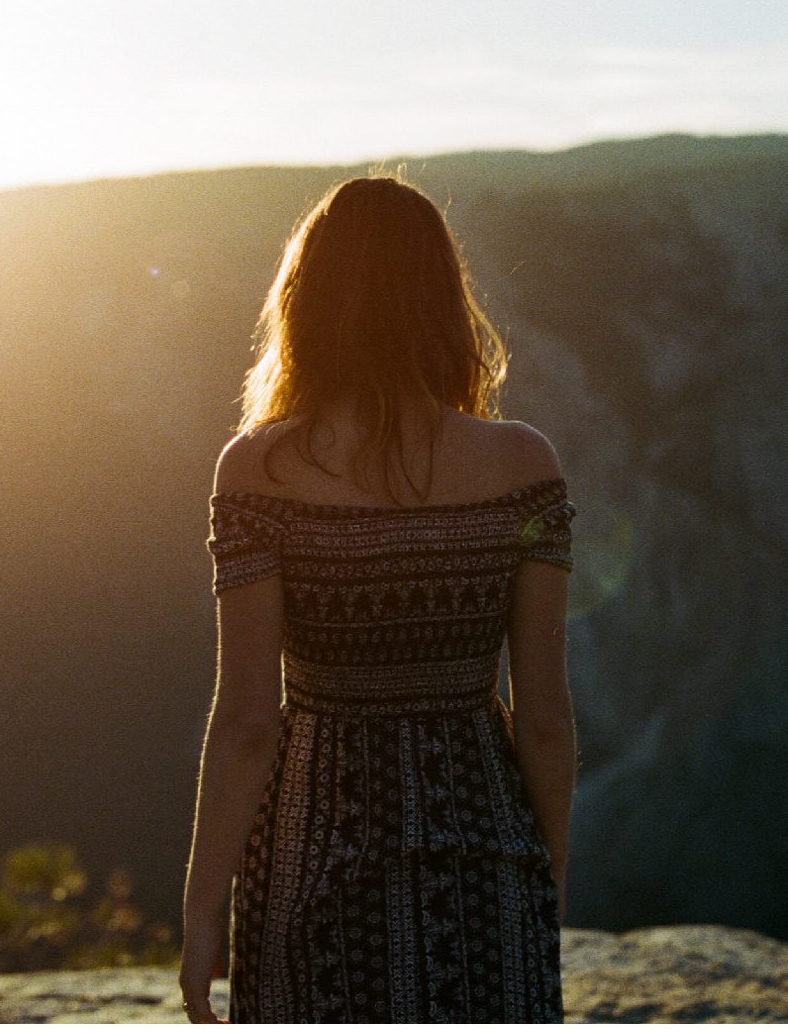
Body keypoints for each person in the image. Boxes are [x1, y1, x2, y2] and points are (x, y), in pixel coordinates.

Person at [179, 172, 578, 1023]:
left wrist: (203, 909)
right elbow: (544, 716)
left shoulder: (259, 472)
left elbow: (247, 722)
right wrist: (543, 876)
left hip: (313, 863)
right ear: (443, 300)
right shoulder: (523, 466)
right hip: (485, 863)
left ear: (307, 302)